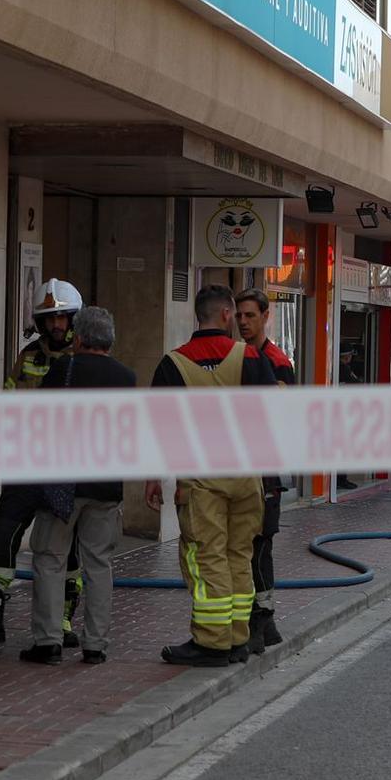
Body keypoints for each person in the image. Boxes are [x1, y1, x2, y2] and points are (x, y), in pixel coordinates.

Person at [145, 284, 277, 667]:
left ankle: (211, 642)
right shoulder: (249, 356)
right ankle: (237, 638)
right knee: (239, 553)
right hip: (246, 475)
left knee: (206, 557)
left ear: (198, 316)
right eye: (235, 315)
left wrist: (155, 474)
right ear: (225, 315)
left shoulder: (174, 362)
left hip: (201, 478)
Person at [0, 277, 85, 646]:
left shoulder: (85, 359)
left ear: (74, 320)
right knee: (3, 534)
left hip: (65, 471)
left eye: (62, 318)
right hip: (25, 466)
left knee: (68, 548)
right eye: (49, 319)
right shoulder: (28, 356)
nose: (56, 326)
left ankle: (62, 622)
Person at [25, 307, 135, 666]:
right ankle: (95, 645)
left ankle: (48, 641)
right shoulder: (126, 377)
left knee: (50, 559)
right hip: (106, 485)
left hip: (64, 484)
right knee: (99, 564)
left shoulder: (63, 369)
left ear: (80, 337)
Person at [236, 288, 296, 652]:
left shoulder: (277, 362)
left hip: (266, 473)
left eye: (250, 316)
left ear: (265, 316)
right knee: (251, 548)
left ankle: (260, 622)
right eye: (239, 316)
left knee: (260, 548)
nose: (244, 322)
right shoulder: (238, 357)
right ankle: (266, 622)